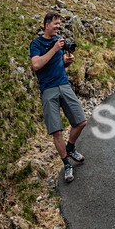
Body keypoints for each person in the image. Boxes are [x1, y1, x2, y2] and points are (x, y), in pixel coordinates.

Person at [30, 12, 87, 183]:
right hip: (48, 90)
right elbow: (36, 65)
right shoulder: (36, 44)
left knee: (81, 121)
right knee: (57, 131)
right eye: (55, 24)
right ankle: (67, 164)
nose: (58, 27)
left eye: (59, 24)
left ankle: (70, 147)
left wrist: (66, 62)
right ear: (47, 25)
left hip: (64, 84)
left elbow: (58, 62)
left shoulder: (59, 40)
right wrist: (54, 49)